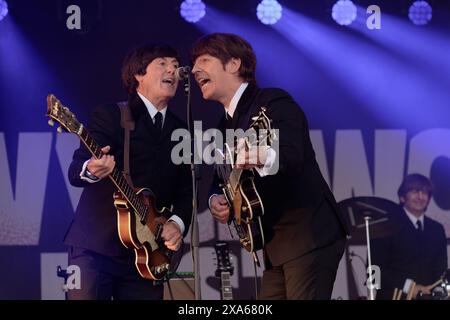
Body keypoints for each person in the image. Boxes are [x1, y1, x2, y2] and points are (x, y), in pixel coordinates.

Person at [190, 33, 349, 300]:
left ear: (234, 64)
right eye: (194, 63)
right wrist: (216, 198)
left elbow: (292, 153)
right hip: (275, 247)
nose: (194, 70)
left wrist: (260, 155)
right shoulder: (223, 126)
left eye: (204, 60)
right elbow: (219, 180)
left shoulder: (272, 102)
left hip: (307, 235)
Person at [65, 43, 192, 300]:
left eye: (176, 65)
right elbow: (76, 171)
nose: (173, 70)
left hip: (148, 255)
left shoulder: (182, 130)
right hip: (97, 247)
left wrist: (176, 224)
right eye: (163, 64)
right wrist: (93, 168)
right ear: (138, 74)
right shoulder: (111, 115)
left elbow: (186, 191)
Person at [371, 173, 448, 300]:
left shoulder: (437, 229)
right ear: (402, 197)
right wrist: (410, 287)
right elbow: (376, 270)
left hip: (428, 296)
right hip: (394, 296)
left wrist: (437, 290)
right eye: (415, 191)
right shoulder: (384, 226)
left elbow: (440, 269)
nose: (420, 196)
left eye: (425, 193)